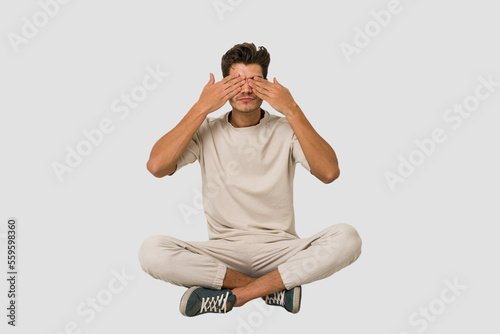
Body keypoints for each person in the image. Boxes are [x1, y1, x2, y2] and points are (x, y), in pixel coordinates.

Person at [138, 42, 362, 317]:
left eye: (254, 82)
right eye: (236, 82)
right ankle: (274, 290)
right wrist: (201, 107)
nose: (245, 89)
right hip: (224, 253)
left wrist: (292, 109)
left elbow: (329, 173)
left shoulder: (286, 129)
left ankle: (238, 295)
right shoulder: (206, 129)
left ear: (267, 85)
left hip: (280, 250)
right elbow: (157, 166)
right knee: (152, 251)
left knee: (348, 238)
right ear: (223, 87)